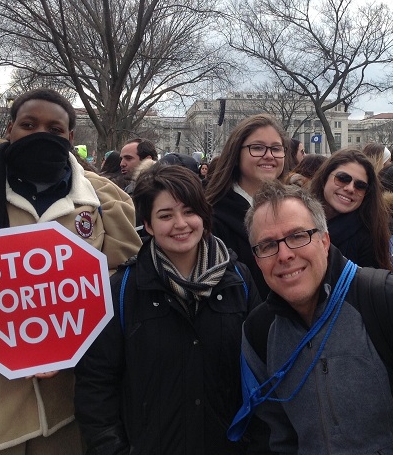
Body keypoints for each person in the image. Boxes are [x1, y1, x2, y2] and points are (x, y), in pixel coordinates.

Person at [0, 88, 141, 454]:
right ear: (10, 129)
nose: (40, 134)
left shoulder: (105, 199)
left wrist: (69, 334)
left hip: (63, 408)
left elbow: (125, 277)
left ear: (70, 137)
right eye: (28, 124)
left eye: (54, 129)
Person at [238, 180, 393, 454]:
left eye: (298, 236)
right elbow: (271, 435)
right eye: (267, 245)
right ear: (256, 258)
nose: (285, 255)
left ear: (325, 241)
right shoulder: (259, 331)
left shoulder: (391, 303)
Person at [75, 165, 268, 454]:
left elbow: (263, 372)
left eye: (189, 211)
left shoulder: (238, 280)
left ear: (204, 215)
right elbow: (96, 384)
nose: (180, 224)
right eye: (166, 215)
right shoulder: (123, 289)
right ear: (149, 225)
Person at [206, 114, 288, 298]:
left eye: (276, 148)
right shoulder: (213, 219)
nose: (269, 156)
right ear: (236, 155)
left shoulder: (294, 208)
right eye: (257, 148)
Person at [309, 149, 393, 271]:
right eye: (342, 178)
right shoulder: (298, 218)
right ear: (324, 178)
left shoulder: (370, 237)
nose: (350, 188)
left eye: (360, 186)